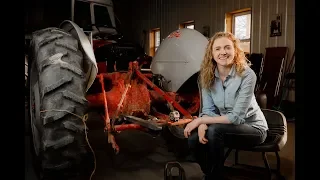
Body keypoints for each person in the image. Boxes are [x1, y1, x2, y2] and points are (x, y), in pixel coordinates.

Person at [183, 32, 268, 180]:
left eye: (227, 47)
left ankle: (215, 176)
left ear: (235, 51)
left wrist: (201, 120)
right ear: (211, 53)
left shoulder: (247, 75)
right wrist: (204, 120)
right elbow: (208, 109)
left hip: (253, 128)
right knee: (193, 138)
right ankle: (211, 173)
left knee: (214, 130)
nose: (223, 52)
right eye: (218, 49)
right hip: (224, 126)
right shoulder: (206, 76)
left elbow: (236, 117)